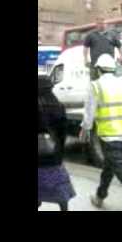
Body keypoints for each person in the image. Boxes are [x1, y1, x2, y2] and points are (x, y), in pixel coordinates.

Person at [79, 54, 122, 211]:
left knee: (119, 167)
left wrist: (85, 129)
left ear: (98, 70)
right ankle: (99, 196)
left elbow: (89, 112)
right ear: (113, 68)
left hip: (107, 135)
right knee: (110, 166)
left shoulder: (95, 86)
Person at [38, 75, 76, 211]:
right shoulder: (58, 106)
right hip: (54, 154)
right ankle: (63, 208)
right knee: (58, 184)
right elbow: (63, 131)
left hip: (39, 156)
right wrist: (59, 149)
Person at [83, 16, 122, 81]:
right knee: (95, 82)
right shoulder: (90, 35)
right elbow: (85, 47)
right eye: (99, 23)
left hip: (110, 64)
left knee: (112, 82)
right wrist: (85, 59)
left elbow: (119, 46)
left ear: (105, 24)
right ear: (96, 24)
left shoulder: (112, 34)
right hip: (95, 65)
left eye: (102, 23)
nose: (101, 25)